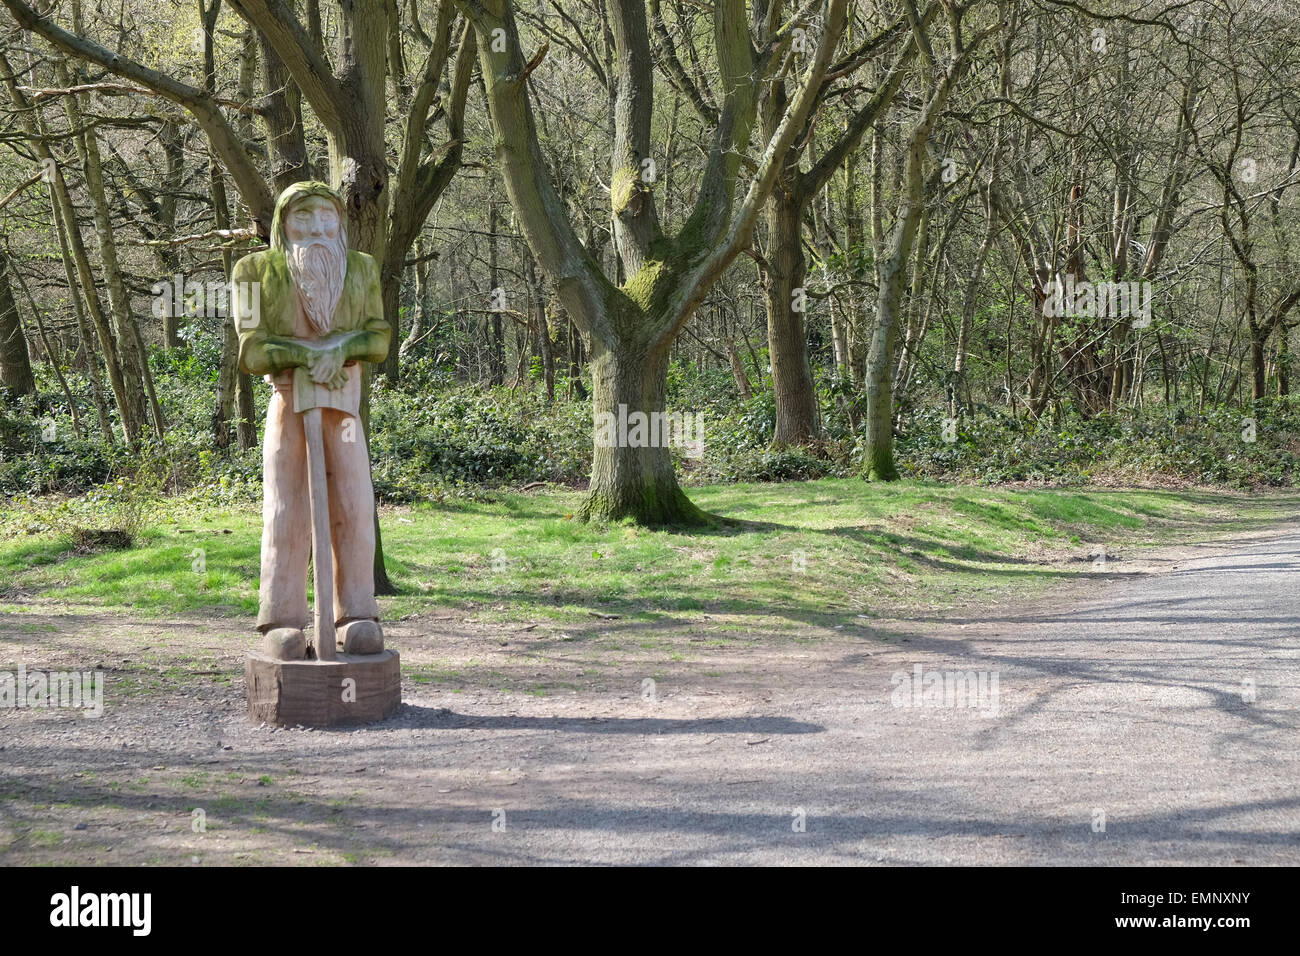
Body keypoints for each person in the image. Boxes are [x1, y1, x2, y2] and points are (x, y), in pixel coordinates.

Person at [232, 181, 390, 660]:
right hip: (289, 405)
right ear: (283, 224)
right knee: (287, 509)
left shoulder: (361, 269)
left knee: (355, 505)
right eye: (304, 217)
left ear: (340, 222)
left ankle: (357, 614)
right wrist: (308, 354)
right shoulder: (254, 272)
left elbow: (378, 339)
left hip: (344, 411)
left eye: (327, 216)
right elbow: (253, 348)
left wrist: (341, 348)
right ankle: (282, 618)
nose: (317, 228)